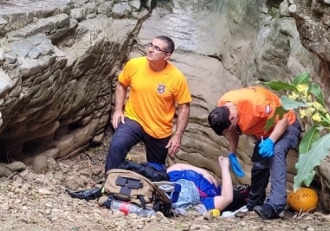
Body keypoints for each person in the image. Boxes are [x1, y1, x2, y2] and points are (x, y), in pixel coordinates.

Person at [207, 85, 302, 220]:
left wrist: (271, 141)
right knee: (259, 165)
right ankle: (254, 204)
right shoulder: (224, 105)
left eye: (229, 128)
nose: (230, 131)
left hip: (287, 126)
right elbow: (233, 130)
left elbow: (284, 119)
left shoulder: (257, 105)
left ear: (232, 117)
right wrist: (232, 153)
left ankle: (275, 205)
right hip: (266, 133)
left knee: (276, 153)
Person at [105, 36, 191, 172]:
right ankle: (109, 184)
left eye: (157, 48)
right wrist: (118, 110)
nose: (150, 50)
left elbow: (184, 107)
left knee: (156, 169)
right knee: (117, 145)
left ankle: (149, 188)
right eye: (151, 45)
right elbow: (121, 84)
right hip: (134, 119)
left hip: (159, 129)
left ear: (167, 55)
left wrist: (178, 136)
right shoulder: (134, 64)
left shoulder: (177, 78)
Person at [166, 157, 235, 213]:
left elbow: (178, 166)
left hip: (207, 179)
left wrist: (203, 172)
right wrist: (224, 166)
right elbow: (227, 198)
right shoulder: (203, 203)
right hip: (225, 190)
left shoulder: (173, 177)